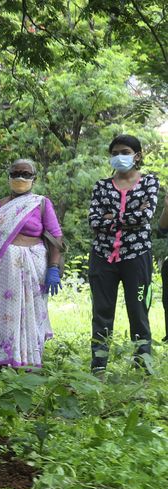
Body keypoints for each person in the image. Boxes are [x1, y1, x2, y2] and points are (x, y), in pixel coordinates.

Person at [0, 159, 63, 368]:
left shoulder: (41, 203)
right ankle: (2, 360)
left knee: (31, 313)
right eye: (16, 173)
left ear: (34, 178)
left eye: (26, 174)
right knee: (2, 312)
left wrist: (53, 268)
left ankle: (29, 360)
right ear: (8, 176)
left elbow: (56, 238)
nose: (20, 177)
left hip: (33, 266)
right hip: (2, 269)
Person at [89, 134, 159, 372]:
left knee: (138, 311)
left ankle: (143, 368)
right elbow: (94, 220)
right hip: (102, 257)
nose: (119, 156)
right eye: (115, 152)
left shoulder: (149, 182)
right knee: (101, 314)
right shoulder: (101, 186)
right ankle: (98, 369)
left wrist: (110, 218)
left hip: (137, 257)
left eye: (125, 152)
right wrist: (128, 218)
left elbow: (145, 216)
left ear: (137, 156)